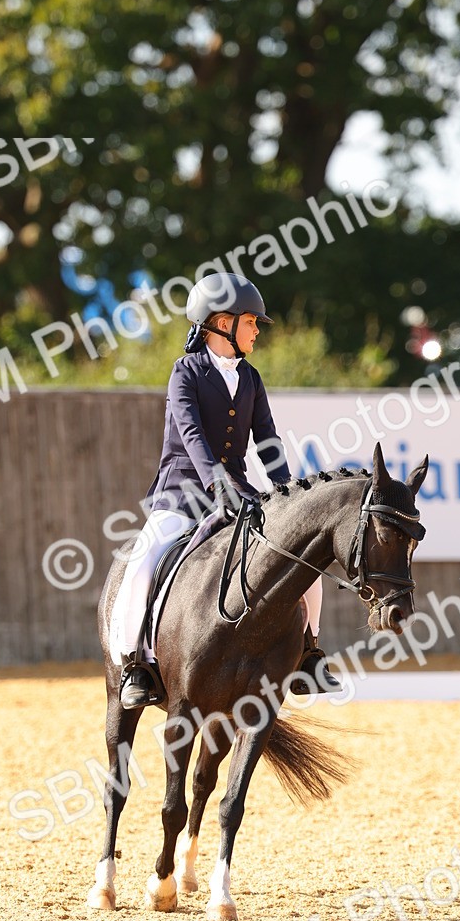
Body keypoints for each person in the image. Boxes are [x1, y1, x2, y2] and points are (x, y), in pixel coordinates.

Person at [110, 271, 340, 708]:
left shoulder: (250, 378)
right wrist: (216, 482)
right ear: (221, 322)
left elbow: (267, 440)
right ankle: (134, 663)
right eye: (251, 321)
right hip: (183, 490)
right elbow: (192, 434)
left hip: (239, 490)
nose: (257, 330)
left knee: (301, 556)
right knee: (143, 560)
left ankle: (309, 652)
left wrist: (287, 493)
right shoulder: (185, 373)